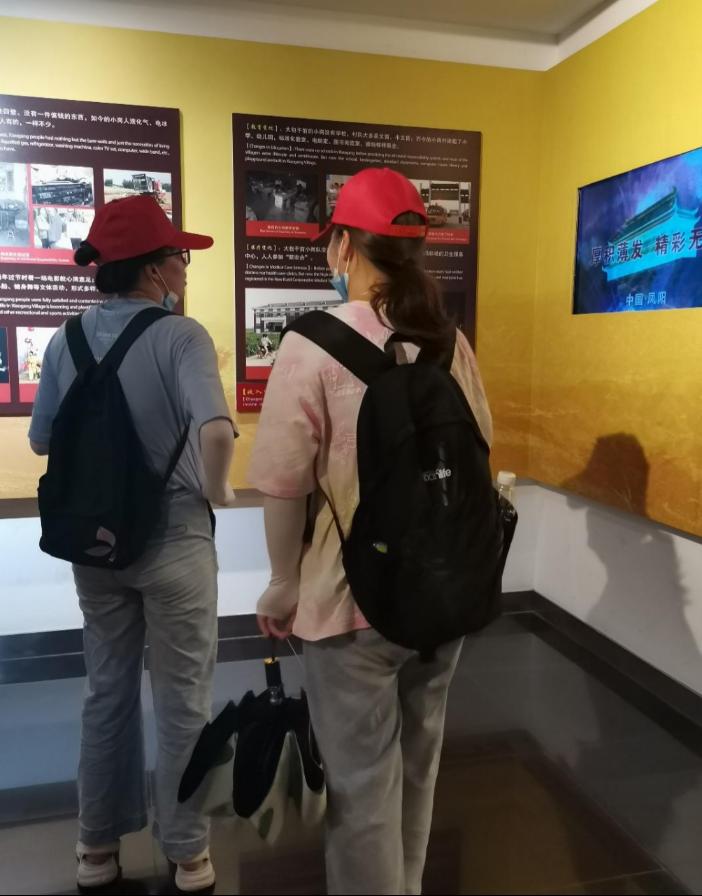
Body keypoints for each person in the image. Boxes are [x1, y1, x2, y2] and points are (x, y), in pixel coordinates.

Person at [249, 167, 492, 895]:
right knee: (418, 770)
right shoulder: (449, 341)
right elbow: (482, 448)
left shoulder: (310, 344)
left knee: (361, 792)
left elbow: (283, 483)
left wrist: (282, 582)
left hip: (348, 598)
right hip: (444, 594)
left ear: (344, 246)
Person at [28, 194, 237, 894]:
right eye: (179, 257)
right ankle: (188, 852)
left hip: (95, 544)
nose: (184, 268)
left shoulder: (64, 340)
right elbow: (215, 429)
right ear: (153, 269)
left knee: (106, 690)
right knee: (183, 697)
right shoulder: (182, 337)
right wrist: (218, 491)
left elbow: (42, 440)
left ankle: (95, 848)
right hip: (174, 536)